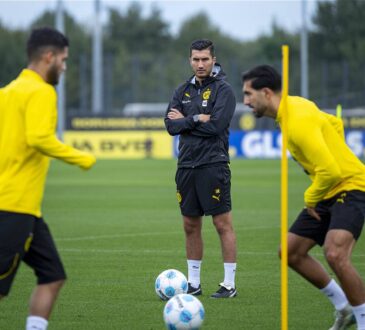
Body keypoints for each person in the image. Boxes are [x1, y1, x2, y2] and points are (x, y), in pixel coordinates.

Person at [242, 64, 365, 330]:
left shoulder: (295, 120)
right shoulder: (294, 107)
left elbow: (330, 170)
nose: (245, 101)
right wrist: (336, 148)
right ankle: (344, 307)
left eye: (249, 94)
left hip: (351, 186)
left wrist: (311, 196)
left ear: (266, 92)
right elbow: (333, 122)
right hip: (329, 187)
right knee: (290, 252)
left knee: (335, 253)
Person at [0, 27, 96, 330]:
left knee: (53, 276)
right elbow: (39, 138)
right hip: (13, 207)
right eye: (64, 61)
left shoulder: (8, 92)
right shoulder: (42, 91)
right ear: (49, 57)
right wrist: (82, 158)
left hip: (28, 212)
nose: (64, 68)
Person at [164, 39, 237, 298]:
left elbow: (216, 126)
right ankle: (193, 284)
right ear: (190, 60)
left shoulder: (223, 90)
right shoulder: (182, 90)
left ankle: (229, 284)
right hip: (186, 164)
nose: (200, 64)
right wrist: (195, 118)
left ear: (213, 60)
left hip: (213, 163)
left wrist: (184, 121)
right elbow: (170, 126)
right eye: (195, 59)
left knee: (221, 223)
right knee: (189, 224)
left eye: (205, 59)